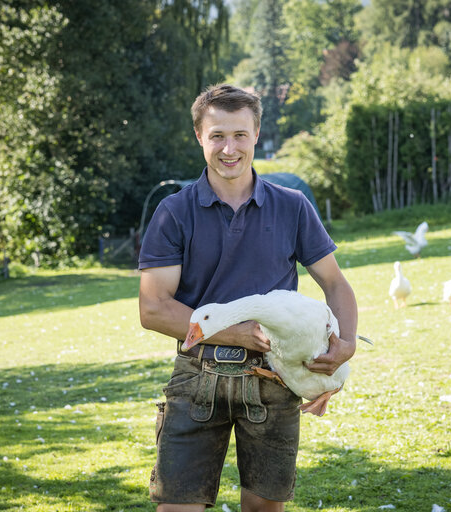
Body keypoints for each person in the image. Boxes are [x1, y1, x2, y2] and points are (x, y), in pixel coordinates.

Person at [138, 83, 357, 512]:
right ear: (200, 137)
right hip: (197, 379)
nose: (229, 148)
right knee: (175, 509)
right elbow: (153, 308)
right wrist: (234, 333)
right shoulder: (173, 212)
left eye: (240, 135)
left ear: (257, 134)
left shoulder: (292, 206)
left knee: (262, 509)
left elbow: (335, 284)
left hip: (273, 379)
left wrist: (344, 346)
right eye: (217, 135)